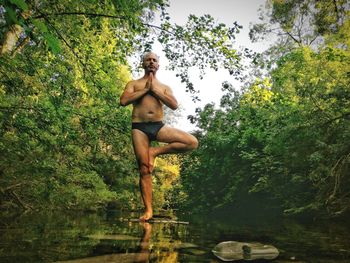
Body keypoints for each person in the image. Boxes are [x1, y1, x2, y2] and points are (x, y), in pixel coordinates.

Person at [120, 51, 198, 221]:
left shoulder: (164, 87)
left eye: (154, 60)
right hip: (139, 128)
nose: (151, 62)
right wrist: (145, 90)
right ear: (143, 64)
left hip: (158, 126)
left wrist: (154, 90)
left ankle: (155, 152)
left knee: (192, 142)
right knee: (145, 168)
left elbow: (174, 105)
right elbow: (123, 101)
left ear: (158, 65)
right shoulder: (133, 83)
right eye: (148, 60)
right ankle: (148, 210)